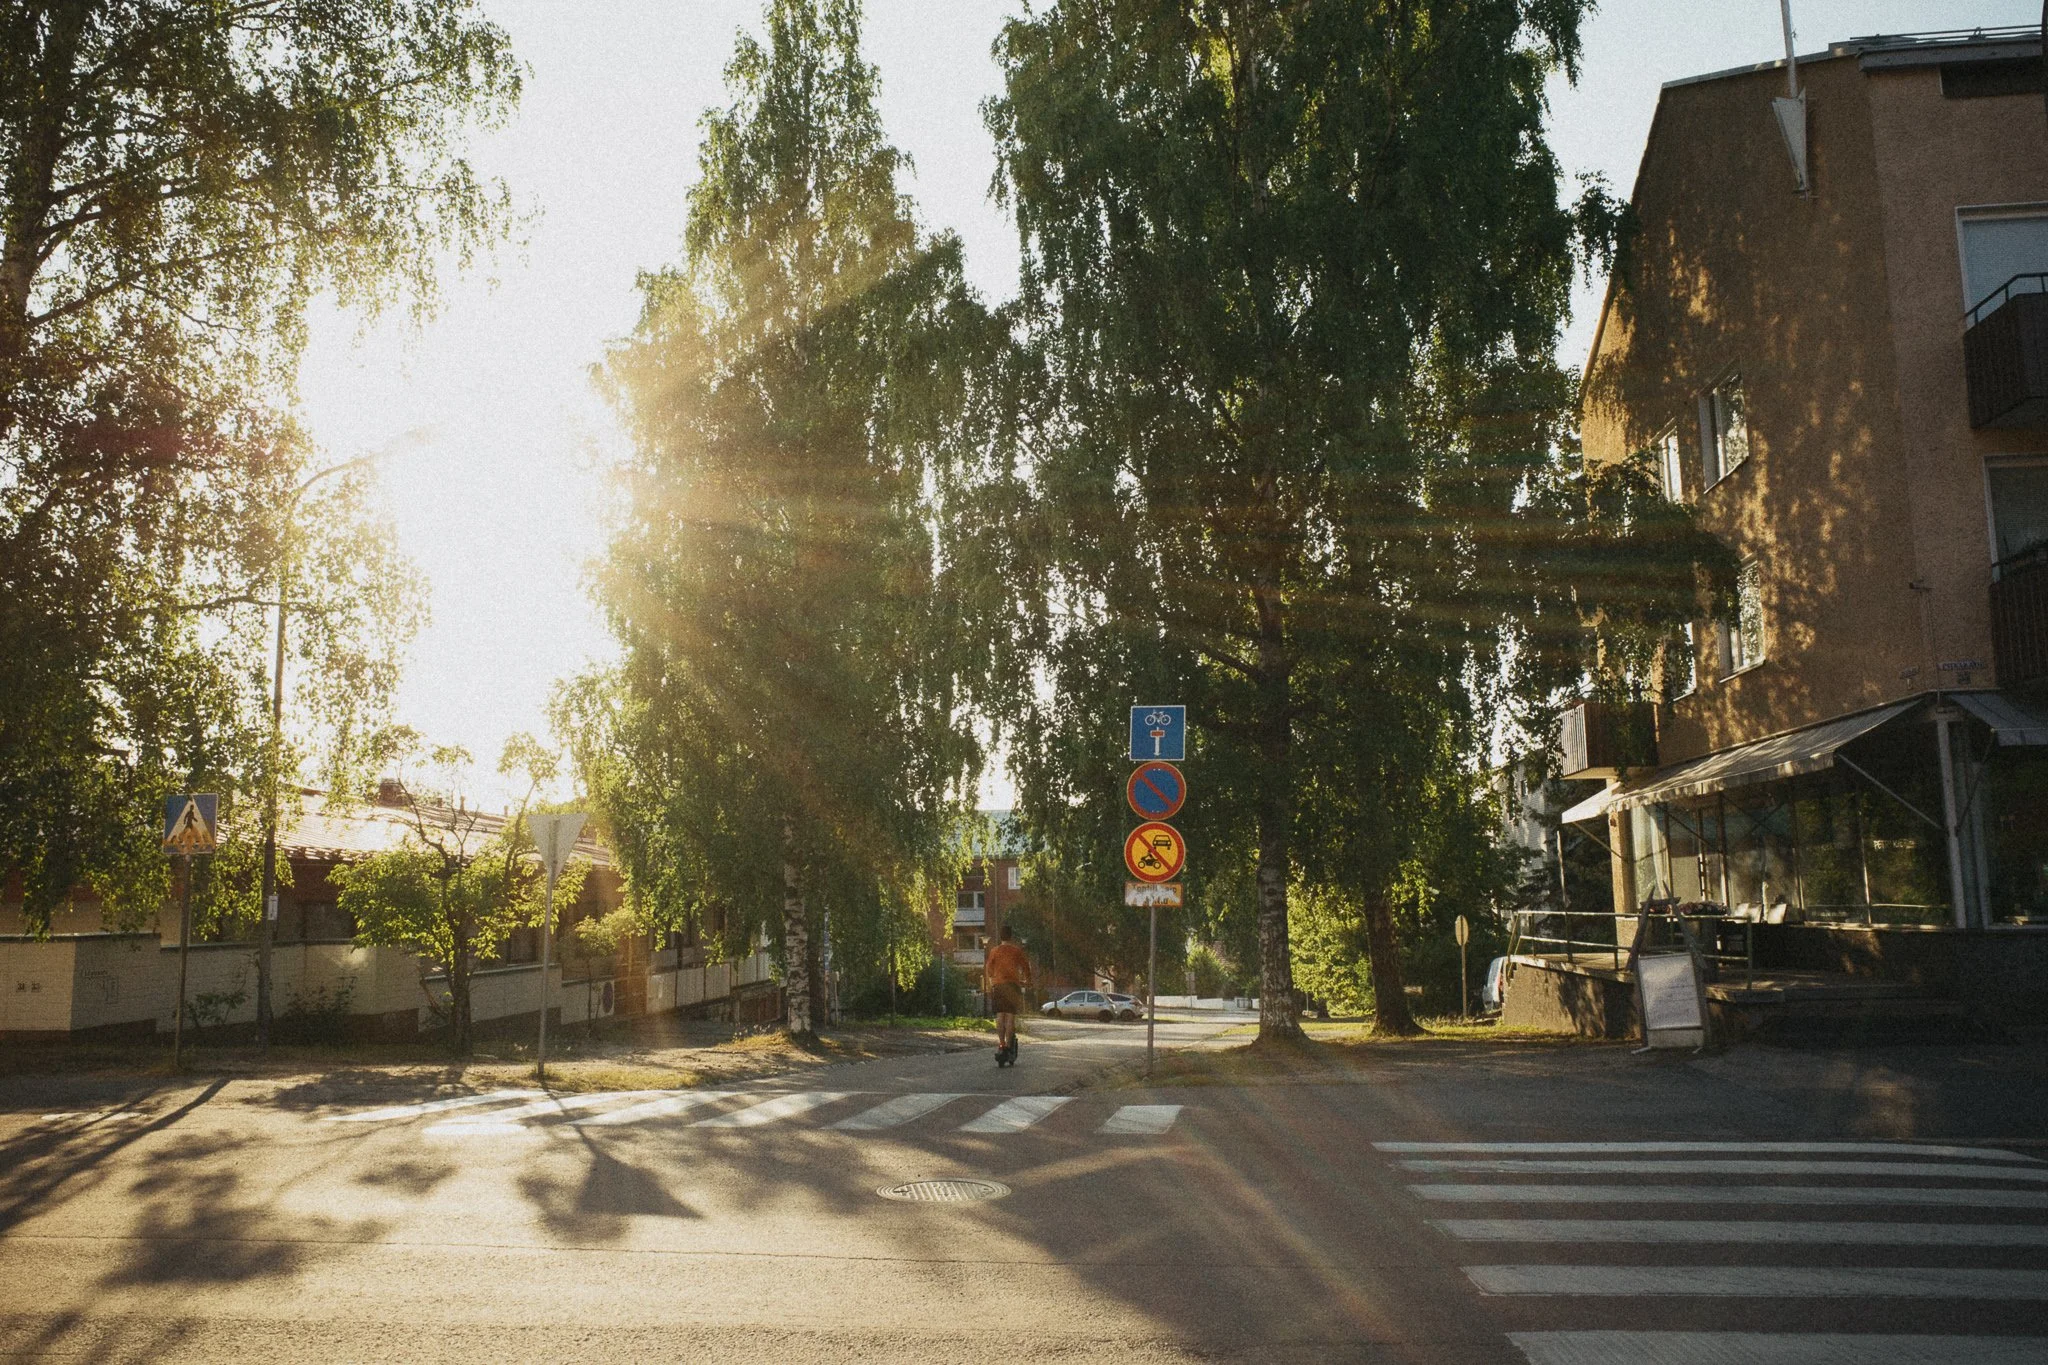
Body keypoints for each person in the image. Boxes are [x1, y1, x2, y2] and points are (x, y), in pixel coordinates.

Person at [984, 924, 1032, 1067]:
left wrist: (991, 981)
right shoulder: (1016, 951)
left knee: (1000, 1015)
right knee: (1010, 1016)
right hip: (1012, 985)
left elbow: (989, 969)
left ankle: (1001, 1044)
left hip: (998, 985)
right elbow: (1026, 967)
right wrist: (1027, 981)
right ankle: (1010, 1045)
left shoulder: (994, 951)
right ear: (1011, 936)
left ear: (1000, 936)